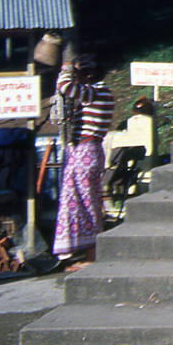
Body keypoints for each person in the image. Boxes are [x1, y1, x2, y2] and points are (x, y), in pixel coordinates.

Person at [54, 54, 115, 268]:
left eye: (79, 74)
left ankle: (91, 255)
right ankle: (87, 252)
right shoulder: (99, 92)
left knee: (83, 201)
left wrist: (66, 69)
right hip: (89, 150)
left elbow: (65, 86)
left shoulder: (96, 92)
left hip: (86, 151)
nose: (76, 78)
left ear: (88, 74)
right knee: (85, 200)